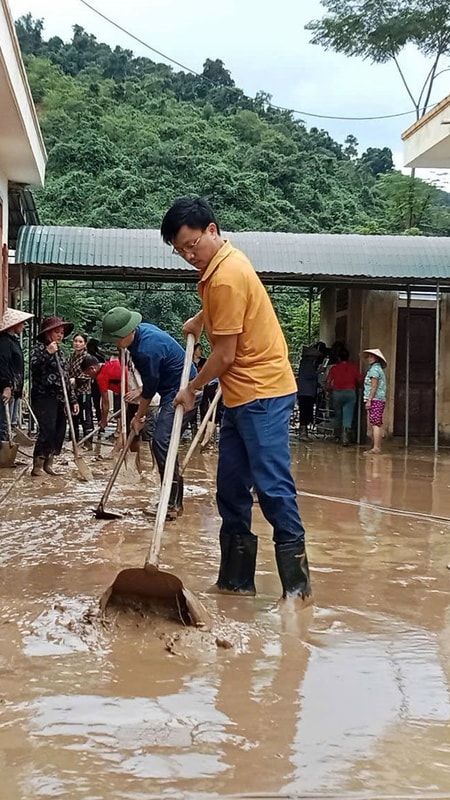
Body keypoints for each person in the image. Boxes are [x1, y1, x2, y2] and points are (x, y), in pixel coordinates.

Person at [160, 196, 312, 605]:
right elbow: (224, 314)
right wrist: (201, 318)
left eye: (193, 244)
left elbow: (224, 355)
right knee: (229, 487)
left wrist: (191, 389)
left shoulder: (226, 276)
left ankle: (297, 592)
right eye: (181, 251)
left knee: (273, 487)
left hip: (263, 393)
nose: (189, 255)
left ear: (212, 229)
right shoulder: (218, 269)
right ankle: (235, 582)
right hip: (241, 395)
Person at [100, 307, 198, 519]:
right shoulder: (141, 333)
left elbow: (149, 389)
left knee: (161, 443)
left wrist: (139, 417)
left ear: (128, 332)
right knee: (164, 444)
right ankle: (172, 499)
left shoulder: (146, 350)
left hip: (185, 389)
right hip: (171, 390)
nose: (115, 343)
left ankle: (171, 503)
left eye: (117, 339)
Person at [30, 315, 78, 476]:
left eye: (62, 332)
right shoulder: (38, 349)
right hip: (44, 396)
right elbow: (34, 368)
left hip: (60, 397)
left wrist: (73, 400)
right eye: (56, 332)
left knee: (59, 430)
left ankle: (49, 463)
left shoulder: (62, 352)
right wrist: (47, 353)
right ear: (47, 333)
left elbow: (66, 377)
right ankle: (38, 464)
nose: (60, 335)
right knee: (47, 429)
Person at [0, 307, 34, 444]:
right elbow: (2, 365)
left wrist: (19, 388)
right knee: (2, 424)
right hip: (5, 389)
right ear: (14, 324)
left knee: (10, 424)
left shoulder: (12, 341)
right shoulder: (4, 342)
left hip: (13, 389)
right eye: (22, 323)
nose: (24, 326)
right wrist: (6, 386)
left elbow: (16, 368)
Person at [325, 344, 362, 445]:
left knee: (338, 414)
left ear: (338, 357)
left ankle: (337, 436)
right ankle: (345, 436)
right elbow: (359, 380)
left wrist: (328, 390)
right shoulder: (353, 367)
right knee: (348, 414)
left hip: (337, 393)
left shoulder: (334, 368)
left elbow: (328, 382)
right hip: (350, 392)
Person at [68, 333, 93, 446]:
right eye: (75, 341)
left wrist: (76, 380)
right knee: (73, 416)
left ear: (85, 344)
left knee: (84, 416)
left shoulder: (87, 358)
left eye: (80, 341)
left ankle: (88, 443)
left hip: (83, 391)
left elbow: (90, 375)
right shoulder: (71, 357)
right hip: (71, 392)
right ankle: (74, 441)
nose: (77, 344)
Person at [362, 347, 387, 455]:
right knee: (375, 422)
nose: (369, 358)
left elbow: (374, 386)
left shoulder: (374, 370)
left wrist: (369, 400)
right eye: (368, 357)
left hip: (375, 399)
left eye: (371, 357)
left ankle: (376, 447)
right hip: (379, 399)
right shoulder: (378, 369)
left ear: (376, 358)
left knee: (375, 423)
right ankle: (375, 446)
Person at [296, 346, 320, 439]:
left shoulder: (305, 364)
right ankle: (303, 433)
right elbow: (310, 375)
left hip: (305, 392)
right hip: (306, 392)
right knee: (305, 412)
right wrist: (318, 372)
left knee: (305, 411)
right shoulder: (307, 364)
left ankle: (303, 432)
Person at [86, 338, 105, 424]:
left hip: (97, 383)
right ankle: (91, 421)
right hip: (87, 383)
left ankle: (99, 420)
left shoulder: (99, 358)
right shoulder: (85, 358)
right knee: (89, 404)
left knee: (97, 404)